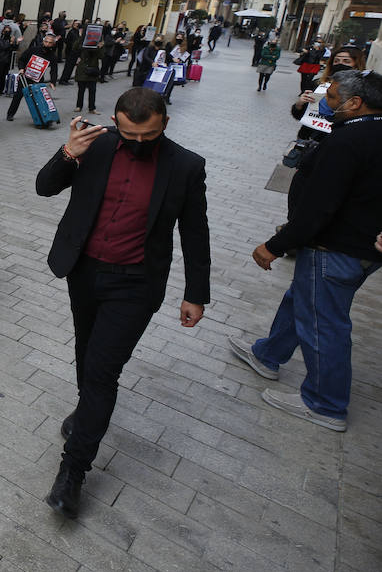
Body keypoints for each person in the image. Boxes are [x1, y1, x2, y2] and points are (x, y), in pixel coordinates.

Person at [36, 87, 210, 519]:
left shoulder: (186, 166)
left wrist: (196, 293)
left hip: (136, 283)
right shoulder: (94, 146)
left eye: (147, 137)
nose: (136, 144)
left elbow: (195, 233)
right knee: (85, 349)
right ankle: (85, 409)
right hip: (85, 271)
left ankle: (73, 471)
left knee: (102, 370)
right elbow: (44, 188)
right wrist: (67, 153)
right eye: (128, 134)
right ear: (115, 121)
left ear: (164, 124)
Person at [232, 70, 382, 432]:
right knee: (303, 298)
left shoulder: (349, 140)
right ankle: (268, 354)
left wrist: (276, 245)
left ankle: (325, 403)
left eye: (331, 97)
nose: (326, 103)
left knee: (324, 323)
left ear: (354, 103)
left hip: (336, 247)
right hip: (361, 247)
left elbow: (320, 205)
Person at [289, 46, 362, 132]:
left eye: (346, 61)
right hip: (308, 137)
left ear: (356, 64)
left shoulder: (363, 89)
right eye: (336, 61)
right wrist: (299, 104)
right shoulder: (318, 83)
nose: (340, 64)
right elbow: (300, 115)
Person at [5, 32, 59, 121]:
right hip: (25, 77)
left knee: (39, 98)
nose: (47, 44)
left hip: (38, 79)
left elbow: (54, 70)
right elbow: (22, 59)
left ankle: (41, 116)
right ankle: (10, 114)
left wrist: (53, 82)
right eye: (46, 42)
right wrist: (21, 68)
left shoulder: (52, 56)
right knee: (18, 96)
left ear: (53, 44)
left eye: (50, 43)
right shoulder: (33, 50)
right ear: (43, 41)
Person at [74, 39, 104, 114]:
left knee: (92, 90)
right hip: (82, 70)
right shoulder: (83, 43)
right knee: (81, 90)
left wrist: (100, 47)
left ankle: (92, 108)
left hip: (93, 71)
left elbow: (102, 56)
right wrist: (80, 37)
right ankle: (79, 106)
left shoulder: (97, 45)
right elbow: (75, 48)